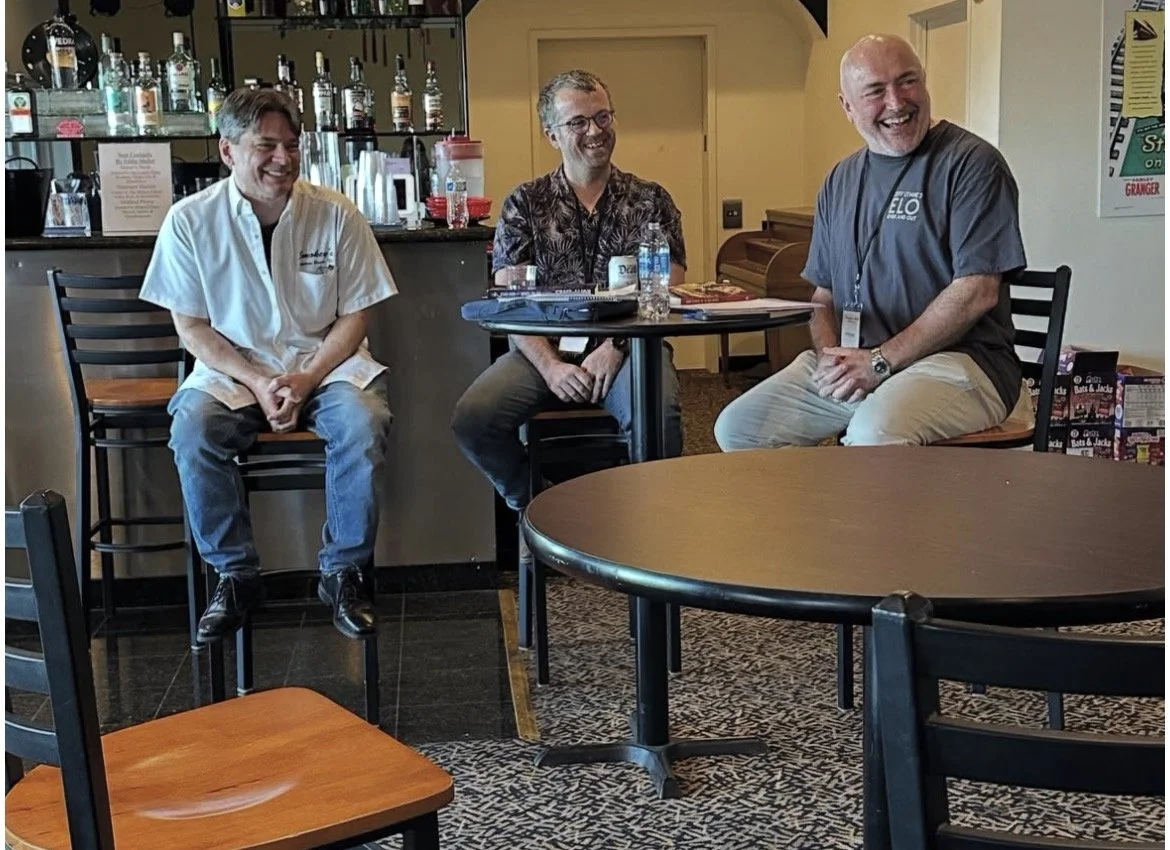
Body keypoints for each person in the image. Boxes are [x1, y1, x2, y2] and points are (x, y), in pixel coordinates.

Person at [141, 89, 396, 643]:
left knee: (363, 422)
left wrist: (305, 379)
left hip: (325, 365)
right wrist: (258, 381)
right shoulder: (190, 220)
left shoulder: (335, 213)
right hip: (234, 370)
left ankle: (343, 573)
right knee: (193, 429)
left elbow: (357, 315)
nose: (283, 158)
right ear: (228, 151)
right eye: (266, 145)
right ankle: (235, 576)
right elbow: (192, 328)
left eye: (291, 145)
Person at [714, 34, 1034, 451]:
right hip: (861, 363)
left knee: (873, 433)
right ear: (847, 107)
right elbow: (823, 295)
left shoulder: (972, 163)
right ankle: (828, 498)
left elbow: (977, 291)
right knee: (738, 428)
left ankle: (875, 496)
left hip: (961, 364)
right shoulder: (839, 180)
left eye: (907, 81)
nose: (897, 102)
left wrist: (881, 361)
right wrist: (831, 358)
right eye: (875, 91)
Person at [451, 69, 686, 570]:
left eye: (603, 117)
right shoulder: (525, 204)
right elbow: (510, 302)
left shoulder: (650, 200)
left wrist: (615, 348)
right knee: (474, 419)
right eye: (578, 122)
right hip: (544, 350)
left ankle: (646, 537)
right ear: (551, 135)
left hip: (631, 346)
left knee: (660, 418)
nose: (595, 131)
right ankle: (540, 510)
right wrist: (551, 366)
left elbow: (667, 286)